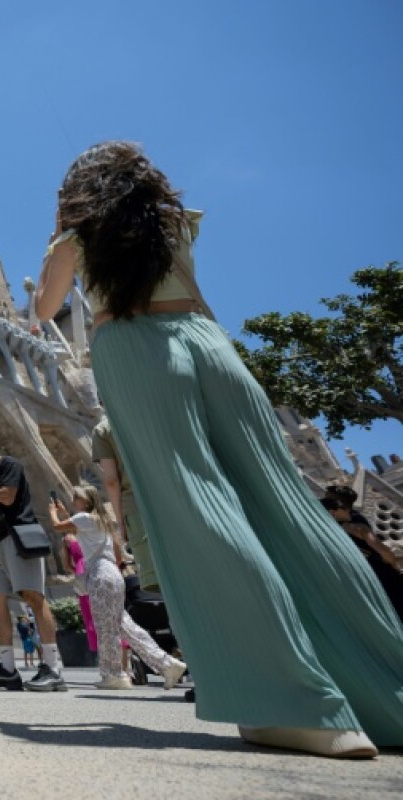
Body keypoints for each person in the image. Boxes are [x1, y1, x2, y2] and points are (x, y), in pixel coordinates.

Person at [35, 140, 403, 758]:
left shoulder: (76, 240)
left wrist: (60, 239)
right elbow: (199, 300)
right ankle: (383, 693)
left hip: (137, 353)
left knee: (203, 517)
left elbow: (46, 307)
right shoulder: (174, 224)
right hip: (210, 346)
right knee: (288, 512)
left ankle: (299, 705)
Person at [47, 484, 186, 690]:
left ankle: (114, 675)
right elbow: (78, 528)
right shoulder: (101, 522)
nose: (74, 502)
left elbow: (58, 527)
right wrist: (65, 513)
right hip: (113, 574)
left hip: (99, 575)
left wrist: (52, 512)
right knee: (125, 627)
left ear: (85, 502)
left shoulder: (84, 518)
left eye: (76, 498)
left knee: (106, 627)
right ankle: (167, 664)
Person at [0, 436, 65, 692]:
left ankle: (52, 667)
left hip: (20, 537)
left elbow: (8, 498)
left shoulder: (9, 465)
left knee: (34, 597)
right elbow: (2, 505)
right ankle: (7, 668)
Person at [91, 415, 158, 591]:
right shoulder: (143, 414)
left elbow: (111, 481)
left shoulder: (103, 430)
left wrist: (121, 521)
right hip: (166, 497)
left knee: (157, 577)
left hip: (135, 507)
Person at [321, 488, 403, 621]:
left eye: (329, 498)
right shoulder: (332, 522)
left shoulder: (353, 521)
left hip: (380, 573)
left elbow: (382, 550)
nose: (325, 500)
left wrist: (394, 565)